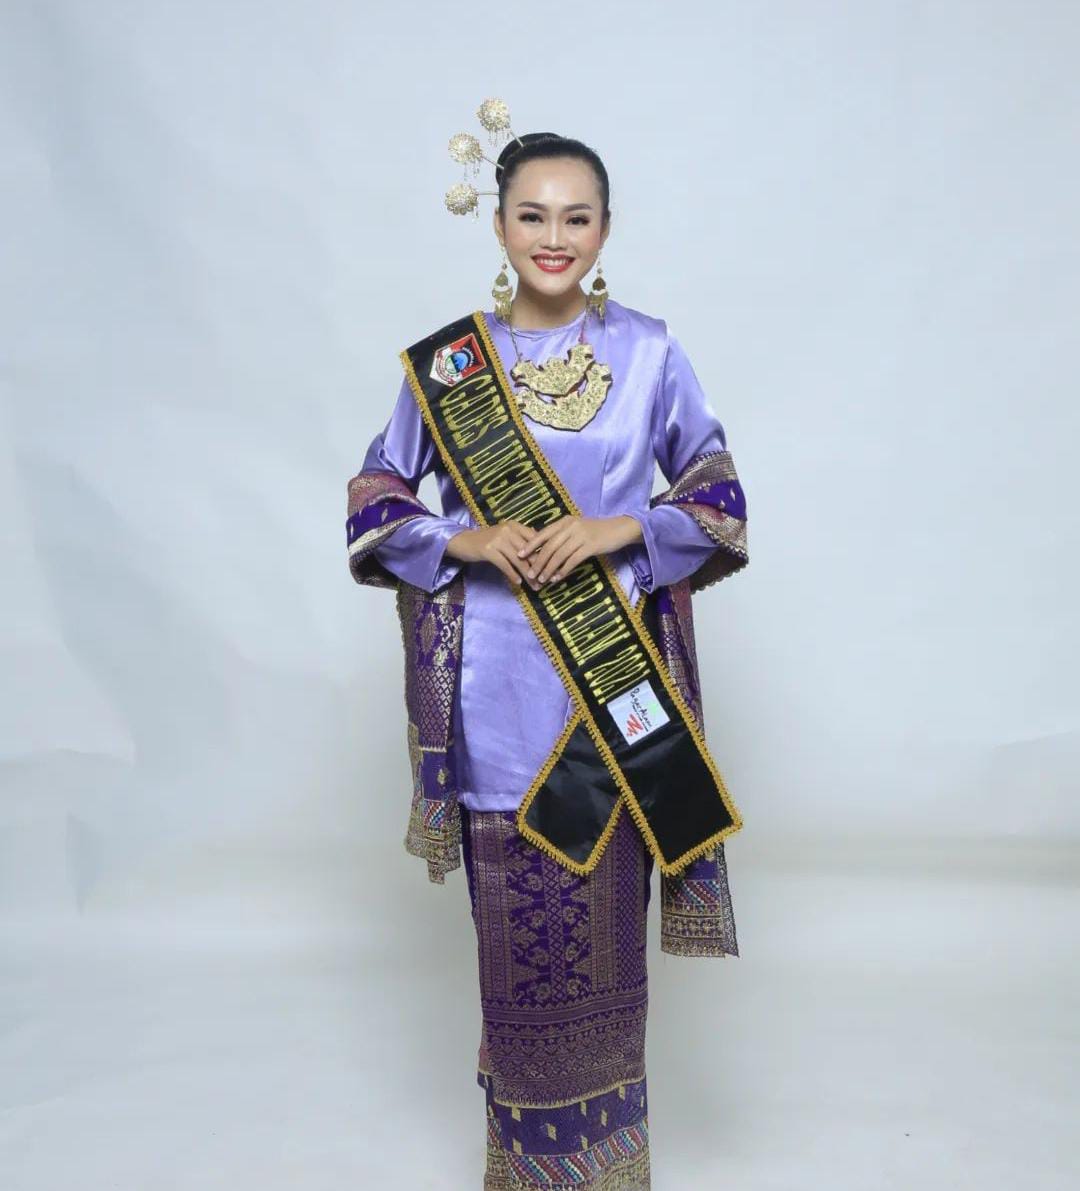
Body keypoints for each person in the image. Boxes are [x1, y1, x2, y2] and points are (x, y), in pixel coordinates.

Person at [346, 99, 749, 1191]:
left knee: (603, 938)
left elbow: (718, 496)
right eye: (532, 215)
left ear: (606, 228)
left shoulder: (651, 352)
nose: (554, 237)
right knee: (517, 950)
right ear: (499, 226)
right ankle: (524, 1170)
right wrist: (462, 538)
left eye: (577, 217)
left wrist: (622, 527)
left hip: (614, 701)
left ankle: (609, 1170)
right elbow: (377, 497)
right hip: (494, 694)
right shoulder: (451, 368)